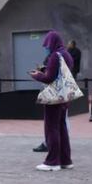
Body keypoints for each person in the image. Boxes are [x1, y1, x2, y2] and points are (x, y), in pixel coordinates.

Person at [29, 31, 74, 171]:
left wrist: (37, 75)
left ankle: (52, 162)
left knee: (51, 128)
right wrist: (46, 70)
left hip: (53, 97)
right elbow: (60, 73)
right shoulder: (66, 54)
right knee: (61, 128)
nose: (46, 47)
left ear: (51, 42)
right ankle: (66, 160)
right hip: (64, 96)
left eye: (47, 44)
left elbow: (49, 78)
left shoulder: (55, 56)